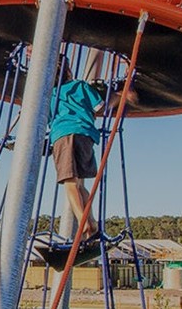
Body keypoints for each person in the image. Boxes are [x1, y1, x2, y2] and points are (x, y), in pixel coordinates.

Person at [46, 74, 133, 247]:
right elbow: (100, 107)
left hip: (63, 134)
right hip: (86, 135)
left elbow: (47, 120)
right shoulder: (80, 86)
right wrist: (120, 96)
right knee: (80, 185)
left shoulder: (51, 95)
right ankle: (92, 222)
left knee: (70, 185)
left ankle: (83, 224)